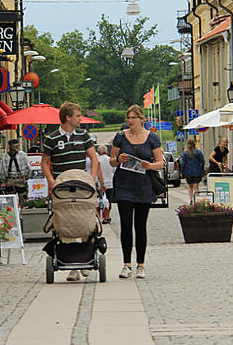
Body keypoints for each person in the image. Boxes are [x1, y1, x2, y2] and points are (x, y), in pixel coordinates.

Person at [42, 101, 99, 281]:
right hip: (62, 188)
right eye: (77, 116)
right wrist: (51, 181)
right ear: (68, 118)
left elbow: (94, 158)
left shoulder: (83, 135)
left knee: (84, 221)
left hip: (82, 186)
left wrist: (91, 178)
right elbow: (45, 162)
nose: (80, 119)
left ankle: (85, 256)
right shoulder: (51, 138)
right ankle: (71, 264)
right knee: (65, 222)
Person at [109, 105, 163, 280]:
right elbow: (111, 161)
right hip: (125, 185)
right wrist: (118, 159)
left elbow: (160, 163)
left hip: (143, 185)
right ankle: (126, 264)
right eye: (128, 118)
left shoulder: (152, 138)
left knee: (140, 226)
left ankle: (141, 264)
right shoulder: (120, 137)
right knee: (125, 226)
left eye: (133, 118)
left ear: (141, 119)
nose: (130, 121)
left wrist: (149, 165)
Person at [179, 138, 206, 203]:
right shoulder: (198, 152)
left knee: (190, 187)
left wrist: (181, 172)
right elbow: (202, 161)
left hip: (188, 172)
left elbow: (183, 163)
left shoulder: (185, 153)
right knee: (196, 187)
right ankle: (196, 200)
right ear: (195, 144)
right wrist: (202, 169)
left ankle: (191, 200)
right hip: (197, 172)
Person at [97, 144, 114, 223]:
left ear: (99, 152)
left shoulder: (97, 160)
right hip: (110, 183)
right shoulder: (110, 160)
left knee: (97, 200)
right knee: (109, 201)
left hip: (99, 183)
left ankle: (98, 216)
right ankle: (107, 216)